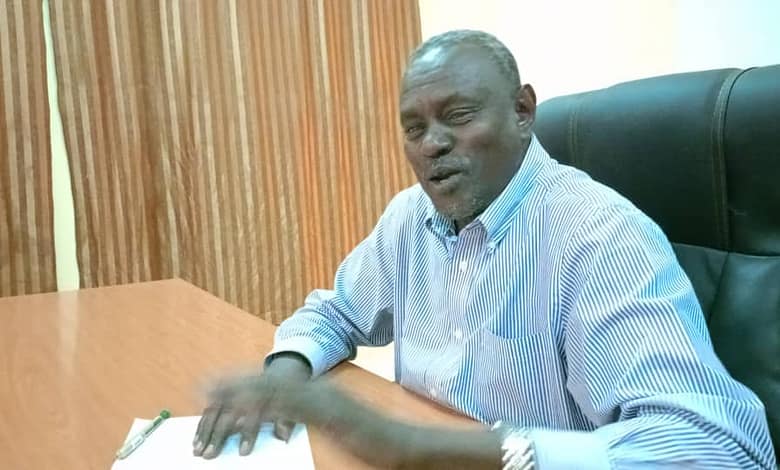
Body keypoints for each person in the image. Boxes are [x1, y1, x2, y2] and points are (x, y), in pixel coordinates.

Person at [192, 30, 776, 469]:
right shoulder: (410, 217)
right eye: (413, 128)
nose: (432, 144)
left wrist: (413, 446)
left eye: (458, 116)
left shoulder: (599, 237)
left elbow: (717, 447)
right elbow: (336, 312)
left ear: (522, 111)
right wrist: (287, 376)